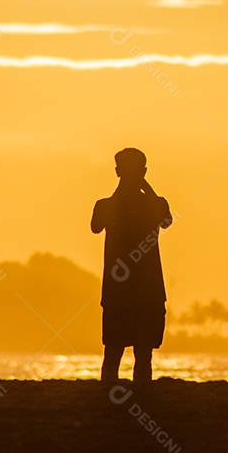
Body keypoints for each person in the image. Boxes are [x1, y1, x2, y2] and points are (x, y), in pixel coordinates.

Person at [91, 148, 173, 383]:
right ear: (144, 172)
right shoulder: (148, 204)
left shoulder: (109, 204)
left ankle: (115, 395)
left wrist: (138, 188)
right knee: (130, 352)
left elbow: (166, 220)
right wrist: (144, 186)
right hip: (141, 290)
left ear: (117, 171)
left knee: (124, 352)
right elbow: (96, 226)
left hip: (126, 289)